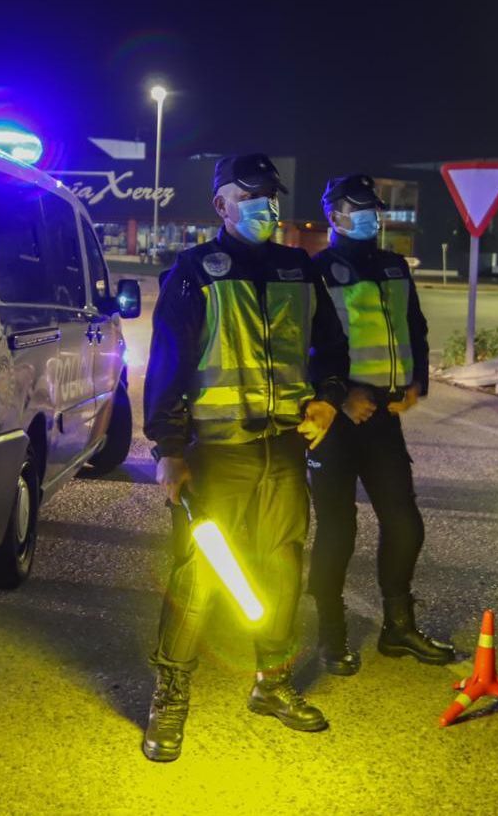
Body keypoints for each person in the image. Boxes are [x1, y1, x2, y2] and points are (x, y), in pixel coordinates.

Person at [140, 153, 350, 762]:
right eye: (251, 195)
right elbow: (167, 370)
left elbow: (331, 351)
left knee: (282, 568)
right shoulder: (191, 273)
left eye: (272, 196)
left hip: (284, 450)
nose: (267, 206)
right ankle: (172, 696)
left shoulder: (297, 269)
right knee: (199, 575)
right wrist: (170, 450)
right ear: (221, 205)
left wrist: (329, 401)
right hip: (218, 453)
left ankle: (272, 684)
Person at [307, 174, 454, 676]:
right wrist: (340, 395)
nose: (371, 215)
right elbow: (301, 342)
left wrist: (418, 380)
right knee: (338, 531)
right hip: (337, 421)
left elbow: (415, 324)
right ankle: (331, 633)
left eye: (373, 207)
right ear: (334, 215)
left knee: (405, 523)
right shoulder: (317, 270)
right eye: (358, 207)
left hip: (384, 418)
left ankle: (398, 628)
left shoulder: (393, 265)